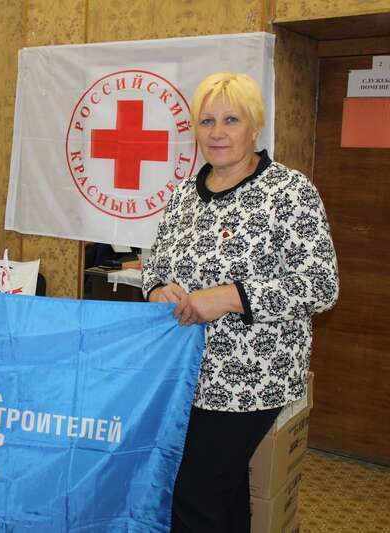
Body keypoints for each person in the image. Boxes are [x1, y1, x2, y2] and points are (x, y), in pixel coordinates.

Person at [141, 72, 339, 532]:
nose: (217, 132)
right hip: (185, 372)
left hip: (249, 380)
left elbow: (321, 285)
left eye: (231, 120)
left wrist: (233, 297)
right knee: (223, 496)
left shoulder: (289, 192)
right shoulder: (184, 195)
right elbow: (155, 264)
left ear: (255, 127)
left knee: (194, 496)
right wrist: (156, 288)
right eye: (207, 121)